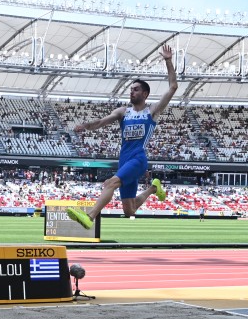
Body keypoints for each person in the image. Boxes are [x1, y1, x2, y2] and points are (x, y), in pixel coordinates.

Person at [66, 45, 178, 229]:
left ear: (145, 94)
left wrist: (168, 60)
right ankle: (153, 188)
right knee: (129, 210)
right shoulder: (123, 112)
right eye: (130, 89)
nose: (131, 92)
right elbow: (101, 122)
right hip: (123, 160)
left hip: (137, 159)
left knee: (111, 183)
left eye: (135, 89)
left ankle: (90, 217)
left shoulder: (152, 111)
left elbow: (173, 87)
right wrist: (86, 126)